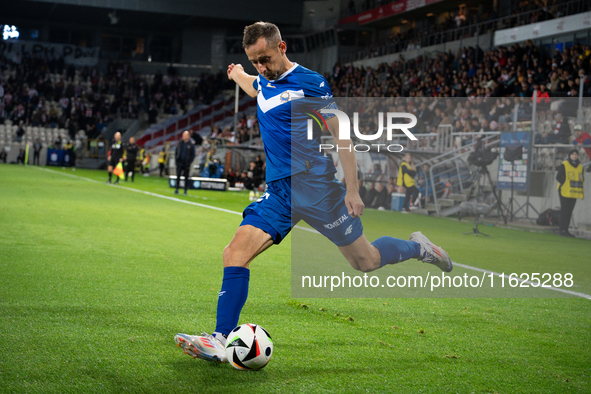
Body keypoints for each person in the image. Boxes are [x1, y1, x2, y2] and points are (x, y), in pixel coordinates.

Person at [174, 22, 452, 363]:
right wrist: (237, 74)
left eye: (264, 59)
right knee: (234, 253)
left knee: (366, 262)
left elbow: (342, 135)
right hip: (280, 193)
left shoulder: (311, 82)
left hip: (318, 188)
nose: (261, 67)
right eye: (254, 61)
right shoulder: (262, 78)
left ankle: (419, 248)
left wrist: (353, 190)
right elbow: (253, 86)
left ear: (282, 48)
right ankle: (220, 338)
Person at [556, 149, 584, 237]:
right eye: (573, 154)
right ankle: (562, 229)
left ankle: (566, 230)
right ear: (570, 155)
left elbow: (582, 178)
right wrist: (565, 183)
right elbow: (558, 177)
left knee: (569, 211)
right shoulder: (565, 164)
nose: (575, 156)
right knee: (564, 210)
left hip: (574, 192)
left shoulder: (580, 166)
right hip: (564, 190)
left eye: (576, 154)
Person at [175, 131, 196, 195]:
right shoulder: (180, 143)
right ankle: (177, 188)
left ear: (188, 136)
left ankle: (185, 189)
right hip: (179, 162)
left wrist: (190, 162)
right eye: (183, 135)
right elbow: (176, 152)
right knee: (178, 176)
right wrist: (176, 160)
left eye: (185, 135)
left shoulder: (191, 144)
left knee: (186, 177)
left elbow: (193, 154)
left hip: (186, 163)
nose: (184, 137)